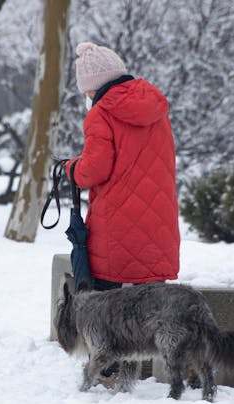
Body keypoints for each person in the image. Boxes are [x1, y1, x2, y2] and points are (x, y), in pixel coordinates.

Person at [66, 42, 181, 293]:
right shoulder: (156, 107)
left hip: (117, 229)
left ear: (92, 87)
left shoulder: (101, 114)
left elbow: (94, 170)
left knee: (107, 309)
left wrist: (72, 168)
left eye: (86, 92)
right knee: (152, 308)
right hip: (160, 224)